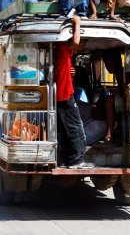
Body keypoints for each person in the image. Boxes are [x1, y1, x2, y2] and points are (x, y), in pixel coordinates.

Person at [54, 15, 94, 169]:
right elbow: (76, 42)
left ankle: (66, 160)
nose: (79, 46)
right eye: (81, 44)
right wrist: (77, 22)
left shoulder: (59, 54)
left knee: (64, 129)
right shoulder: (64, 50)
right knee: (76, 127)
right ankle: (77, 160)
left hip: (60, 95)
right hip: (65, 95)